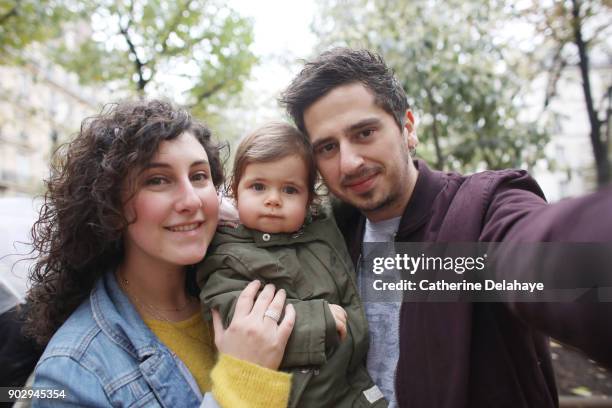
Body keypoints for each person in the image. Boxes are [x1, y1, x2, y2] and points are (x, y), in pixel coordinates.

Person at [279, 48, 612, 408]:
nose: (349, 162)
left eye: (364, 132)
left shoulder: (480, 209)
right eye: (328, 147)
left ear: (407, 128)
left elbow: (544, 255)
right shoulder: (330, 238)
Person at [25, 100, 296, 407]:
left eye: (198, 177)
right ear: (109, 206)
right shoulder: (72, 371)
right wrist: (243, 381)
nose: (191, 200)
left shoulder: (243, 275)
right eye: (158, 180)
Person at [197, 122, 387, 407]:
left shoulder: (322, 226)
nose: (273, 200)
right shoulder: (226, 249)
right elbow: (231, 312)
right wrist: (315, 320)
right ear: (236, 191)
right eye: (258, 186)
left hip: (352, 390)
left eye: (289, 190)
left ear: (310, 199)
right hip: (296, 394)